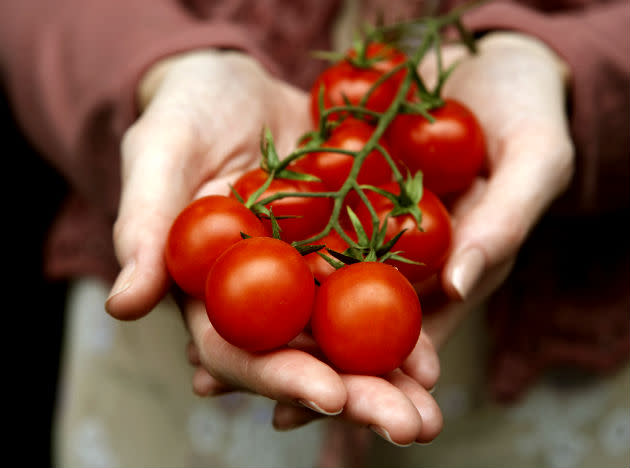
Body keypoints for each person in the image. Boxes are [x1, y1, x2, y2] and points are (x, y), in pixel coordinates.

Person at [1, 0, 627, 467]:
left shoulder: (334, 211)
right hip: (157, 395)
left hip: (554, 379)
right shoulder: (324, 216)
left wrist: (572, 65)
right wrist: (162, 69)